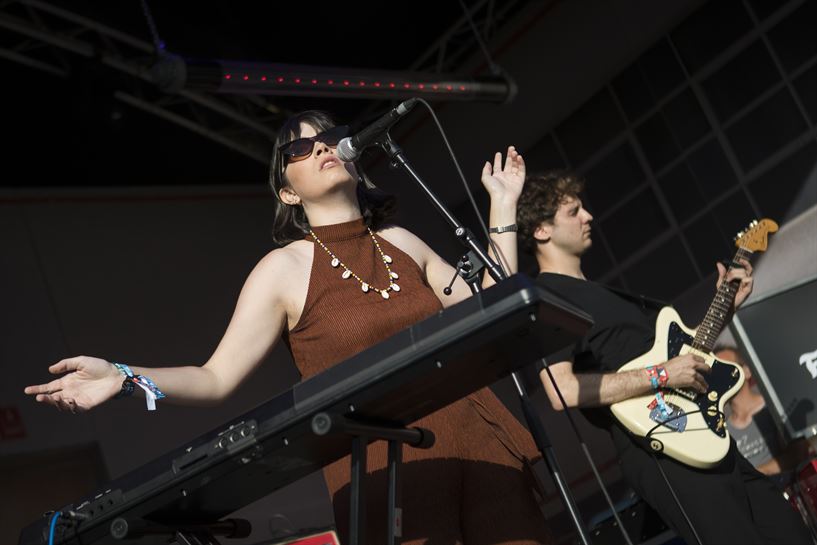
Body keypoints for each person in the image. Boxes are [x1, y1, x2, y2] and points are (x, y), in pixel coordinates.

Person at [25, 110, 553, 544]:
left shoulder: (403, 241)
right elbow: (216, 377)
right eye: (300, 149)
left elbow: (492, 306)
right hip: (388, 467)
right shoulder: (283, 270)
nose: (322, 148)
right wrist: (124, 375)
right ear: (288, 194)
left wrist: (502, 206)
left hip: (482, 439)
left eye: (327, 139)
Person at [515, 170, 812, 545]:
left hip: (704, 431)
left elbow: (680, 358)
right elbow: (561, 390)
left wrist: (726, 308)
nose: (588, 216)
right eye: (574, 211)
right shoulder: (548, 297)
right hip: (658, 446)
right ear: (542, 231)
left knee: (791, 533)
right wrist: (662, 375)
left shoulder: (599, 293)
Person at [714, 345, 813, 481]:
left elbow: (798, 454)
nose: (720, 376)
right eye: (715, 371)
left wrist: (755, 474)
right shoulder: (721, 431)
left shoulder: (774, 407)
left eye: (727, 367)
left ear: (747, 371)